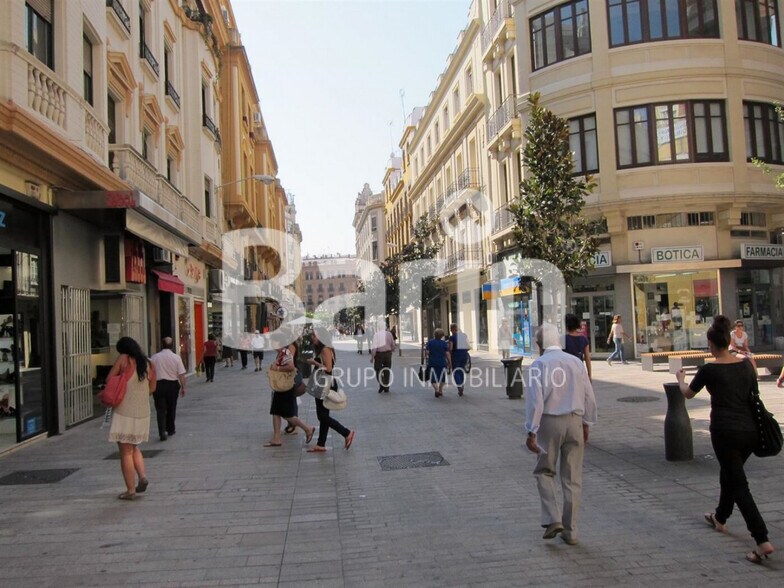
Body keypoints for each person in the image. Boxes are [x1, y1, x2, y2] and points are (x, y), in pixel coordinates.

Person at [676, 316, 774, 564]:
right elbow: (754, 392)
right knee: (730, 473)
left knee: (739, 484)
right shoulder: (746, 365)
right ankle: (720, 517)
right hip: (750, 431)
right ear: (728, 341)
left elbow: (688, 394)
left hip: (725, 432)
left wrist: (680, 379)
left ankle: (762, 540)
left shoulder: (709, 370)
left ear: (711, 344)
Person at [525, 323, 597, 546]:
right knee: (572, 477)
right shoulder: (575, 362)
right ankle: (571, 530)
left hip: (550, 422)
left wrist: (531, 430)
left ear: (539, 344)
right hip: (574, 421)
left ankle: (553, 518)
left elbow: (535, 402)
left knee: (544, 471)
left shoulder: (538, 365)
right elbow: (589, 395)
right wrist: (587, 422)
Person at [107, 336, 157, 500]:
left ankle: (130, 490)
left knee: (125, 452)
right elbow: (152, 388)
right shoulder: (149, 363)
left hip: (124, 410)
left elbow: (109, 379)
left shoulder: (123, 359)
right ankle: (142, 476)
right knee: (134, 447)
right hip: (143, 411)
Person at [307, 330, 354, 453]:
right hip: (323, 383)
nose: (312, 337)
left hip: (325, 384)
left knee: (322, 416)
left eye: (315, 335)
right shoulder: (323, 349)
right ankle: (321, 444)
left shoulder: (325, 349)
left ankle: (346, 433)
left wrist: (314, 362)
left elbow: (328, 369)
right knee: (323, 415)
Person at [264, 341, 314, 447]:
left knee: (286, 414)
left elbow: (291, 366)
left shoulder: (286, 352)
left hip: (285, 386)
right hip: (281, 386)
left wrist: (277, 368)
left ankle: (307, 428)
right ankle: (276, 438)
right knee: (276, 412)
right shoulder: (282, 352)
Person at [149, 337, 186, 441]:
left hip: (159, 385)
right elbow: (181, 374)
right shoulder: (176, 358)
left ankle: (162, 431)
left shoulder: (154, 357)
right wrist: (183, 387)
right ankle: (171, 429)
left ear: (162, 344)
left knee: (160, 409)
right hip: (172, 385)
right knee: (171, 408)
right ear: (172, 345)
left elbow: (150, 373)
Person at [564, 314, 592, 381]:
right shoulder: (584, 339)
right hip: (579, 369)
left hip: (566, 371)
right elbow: (587, 358)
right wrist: (589, 375)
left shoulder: (562, 339)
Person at [370, 321, 395, 393]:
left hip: (379, 355)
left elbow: (374, 347)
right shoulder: (389, 334)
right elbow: (393, 345)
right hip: (388, 354)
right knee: (387, 370)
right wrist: (391, 351)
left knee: (378, 370)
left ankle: (382, 384)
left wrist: (372, 357)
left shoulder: (376, 335)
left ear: (378, 327)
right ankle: (386, 386)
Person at [426, 328, 452, 398]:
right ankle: (440, 390)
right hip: (442, 363)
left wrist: (428, 356)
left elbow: (427, 352)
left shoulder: (430, 342)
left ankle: (436, 390)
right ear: (442, 335)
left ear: (434, 334)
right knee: (442, 378)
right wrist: (450, 362)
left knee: (433, 379)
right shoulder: (444, 343)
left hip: (432, 363)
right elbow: (447, 354)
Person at [448, 323, 470, 396]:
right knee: (461, 370)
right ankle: (462, 385)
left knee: (456, 371)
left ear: (452, 329)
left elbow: (451, 348)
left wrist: (449, 352)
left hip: (456, 356)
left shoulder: (452, 338)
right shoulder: (463, 336)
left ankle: (459, 385)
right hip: (464, 355)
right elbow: (468, 346)